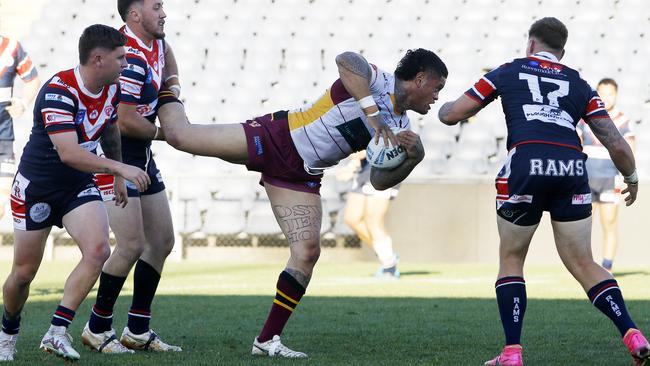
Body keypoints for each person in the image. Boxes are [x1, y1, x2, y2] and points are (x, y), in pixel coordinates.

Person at [156, 48, 447, 357]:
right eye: (437, 88)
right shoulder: (379, 81)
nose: (437, 97)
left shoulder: (402, 129)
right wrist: (373, 118)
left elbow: (377, 181)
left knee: (307, 252)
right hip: (277, 138)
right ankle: (160, 91)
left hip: (301, 174)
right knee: (179, 136)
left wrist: (414, 159)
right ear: (420, 79)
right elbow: (347, 59)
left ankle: (267, 340)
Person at [438, 17, 649, 366]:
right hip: (570, 167)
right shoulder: (579, 83)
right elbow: (615, 141)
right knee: (584, 262)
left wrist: (440, 108)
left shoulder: (509, 70)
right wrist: (633, 178)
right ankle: (632, 332)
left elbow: (453, 113)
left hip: (526, 164)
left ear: (531, 44)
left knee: (511, 259)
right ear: (561, 52)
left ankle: (511, 353)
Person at [0, 24, 150, 362]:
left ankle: (56, 332)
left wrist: (118, 174)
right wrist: (120, 169)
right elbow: (69, 153)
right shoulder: (58, 89)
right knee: (23, 274)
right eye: (121, 58)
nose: (126, 64)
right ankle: (7, 329)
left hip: (77, 184)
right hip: (37, 187)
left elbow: (110, 129)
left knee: (98, 251)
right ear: (98, 59)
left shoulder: (111, 89)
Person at [81, 0, 182, 354]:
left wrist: (173, 88)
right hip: (116, 153)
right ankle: (97, 328)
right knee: (130, 245)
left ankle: (137, 330)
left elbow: (167, 53)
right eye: (157, 6)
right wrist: (171, 132)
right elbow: (124, 121)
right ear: (135, 14)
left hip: (142, 155)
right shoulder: (128, 58)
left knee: (163, 241)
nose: (164, 12)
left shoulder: (155, 43)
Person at [577, 78, 635, 272]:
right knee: (584, 223)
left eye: (610, 93)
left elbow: (629, 150)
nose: (606, 97)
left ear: (616, 94)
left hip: (610, 178)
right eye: (602, 93)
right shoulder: (585, 117)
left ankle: (607, 267)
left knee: (609, 221)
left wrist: (628, 175)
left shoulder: (623, 121)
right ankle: (584, 265)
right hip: (586, 177)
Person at [0, 34, 40, 223]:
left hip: (3, 137)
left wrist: (23, 103)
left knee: (1, 199)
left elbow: (32, 80)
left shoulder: (12, 47)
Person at [341, 151, 401, 278]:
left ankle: (389, 267)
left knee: (373, 221)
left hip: (385, 169)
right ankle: (387, 254)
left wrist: (357, 156)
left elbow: (387, 143)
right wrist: (351, 164)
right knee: (351, 219)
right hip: (364, 169)